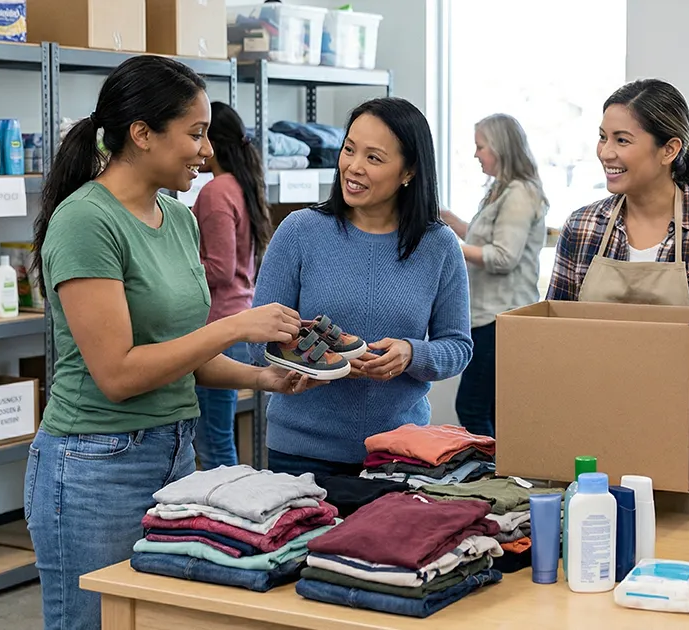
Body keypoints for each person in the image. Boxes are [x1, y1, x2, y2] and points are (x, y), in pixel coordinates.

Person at [26, 56, 316, 629]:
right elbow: (120, 373)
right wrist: (235, 326)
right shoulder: (86, 222)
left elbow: (183, 357)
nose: (206, 151)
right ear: (141, 133)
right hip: (94, 466)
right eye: (196, 132)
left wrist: (264, 378)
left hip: (177, 457)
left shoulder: (178, 218)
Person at [547, 79, 689, 491]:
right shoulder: (582, 229)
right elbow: (552, 337)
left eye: (622, 140)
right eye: (602, 137)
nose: (606, 153)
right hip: (587, 441)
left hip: (688, 448)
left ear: (669, 149)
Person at [252, 97, 473, 481]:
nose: (353, 167)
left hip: (399, 455)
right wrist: (326, 364)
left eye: (374, 158)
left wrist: (411, 353)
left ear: (409, 171)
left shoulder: (439, 245)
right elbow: (259, 343)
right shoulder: (299, 231)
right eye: (349, 149)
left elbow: (457, 346)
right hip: (301, 455)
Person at [440, 113, 548, 438]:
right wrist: (450, 221)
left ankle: (493, 479)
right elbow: (484, 239)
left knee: (472, 407)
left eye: (480, 147)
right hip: (489, 318)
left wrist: (449, 246)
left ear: (500, 148)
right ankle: (502, 478)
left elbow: (503, 256)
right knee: (489, 409)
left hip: (500, 321)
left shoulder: (519, 194)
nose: (476, 155)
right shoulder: (502, 190)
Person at [190, 101, 272, 469]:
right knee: (219, 437)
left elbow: (220, 269)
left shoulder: (216, 191)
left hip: (218, 326)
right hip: (238, 321)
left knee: (212, 443)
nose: (197, 147)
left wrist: (176, 270)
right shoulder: (242, 184)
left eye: (200, 134)